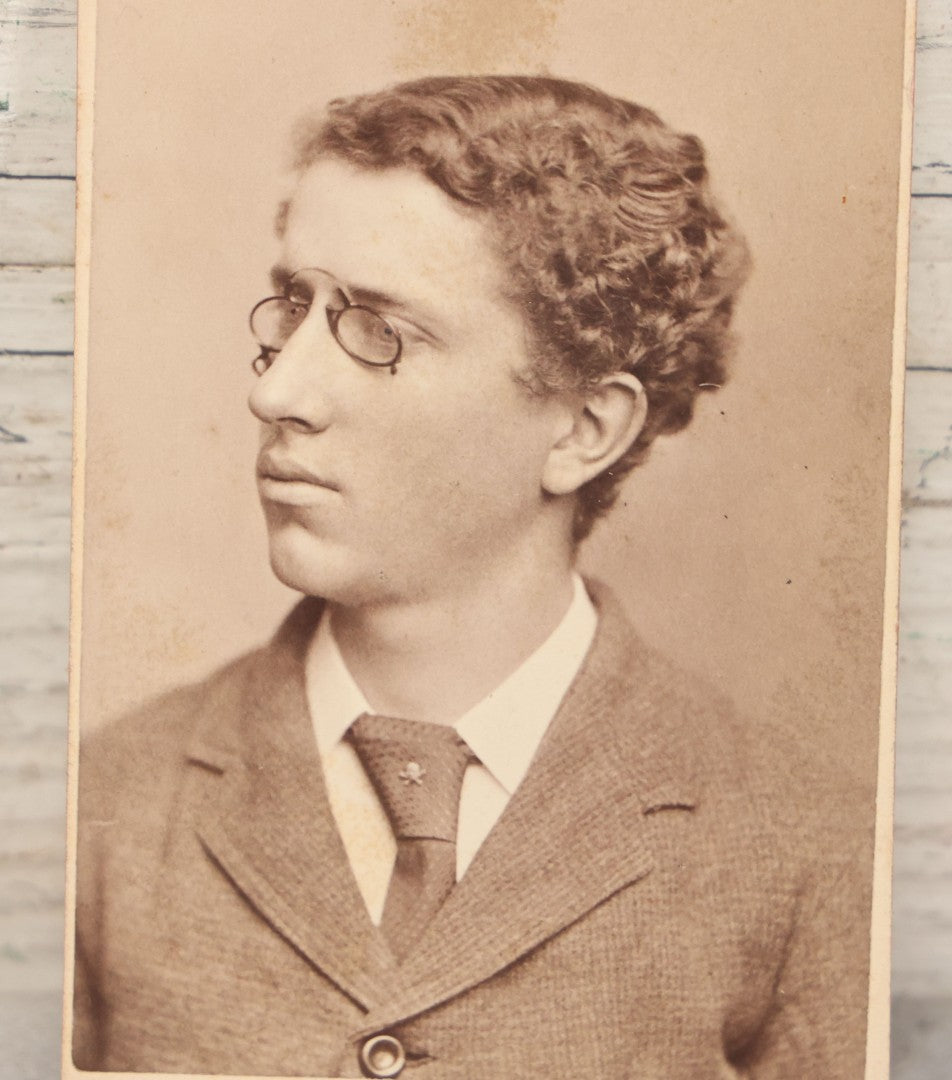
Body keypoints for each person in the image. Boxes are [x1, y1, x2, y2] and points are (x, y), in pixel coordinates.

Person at [72, 76, 873, 1079]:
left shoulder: (807, 852)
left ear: (584, 427)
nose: (273, 389)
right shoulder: (102, 809)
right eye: (293, 305)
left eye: (379, 332)